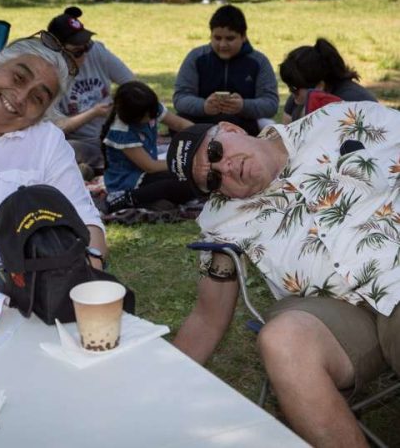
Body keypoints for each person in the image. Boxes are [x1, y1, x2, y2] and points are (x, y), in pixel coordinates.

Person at [166, 100, 400, 447]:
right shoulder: (221, 223)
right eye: (214, 179)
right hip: (338, 318)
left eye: (215, 151)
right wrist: (157, 384)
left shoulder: (343, 120)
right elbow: (208, 318)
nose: (225, 168)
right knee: (283, 341)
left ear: (231, 129)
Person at [0, 32, 106, 270]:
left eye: (37, 98)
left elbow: (87, 222)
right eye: (18, 78)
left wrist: (91, 268)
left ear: (43, 113)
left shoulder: (46, 144)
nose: (20, 98)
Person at [48, 6, 134, 178]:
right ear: (56, 49)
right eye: (78, 51)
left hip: (114, 135)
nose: (85, 54)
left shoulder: (96, 51)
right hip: (83, 142)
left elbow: (131, 84)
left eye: (87, 46)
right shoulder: (49, 76)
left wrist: (119, 105)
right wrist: (93, 113)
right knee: (61, 150)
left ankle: (90, 169)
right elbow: (56, 128)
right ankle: (91, 168)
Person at [173, 5, 278, 137]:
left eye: (230, 39)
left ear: (243, 36)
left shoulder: (259, 62)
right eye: (217, 38)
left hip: (243, 125)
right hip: (201, 123)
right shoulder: (196, 57)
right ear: (210, 35)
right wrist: (204, 106)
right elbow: (180, 98)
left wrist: (243, 106)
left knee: (268, 125)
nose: (222, 45)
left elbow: (271, 103)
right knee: (178, 121)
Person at [102, 81, 196, 213]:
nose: (151, 117)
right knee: (180, 183)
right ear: (132, 116)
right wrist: (183, 162)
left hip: (148, 174)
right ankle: (125, 199)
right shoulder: (121, 131)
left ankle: (155, 202)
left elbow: (180, 124)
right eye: (146, 116)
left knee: (191, 178)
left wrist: (203, 135)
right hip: (129, 182)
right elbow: (150, 166)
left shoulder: (150, 109)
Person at [280, 37, 377, 123]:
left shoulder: (350, 104)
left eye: (294, 88)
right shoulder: (301, 98)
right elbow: (286, 128)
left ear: (320, 86)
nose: (292, 93)